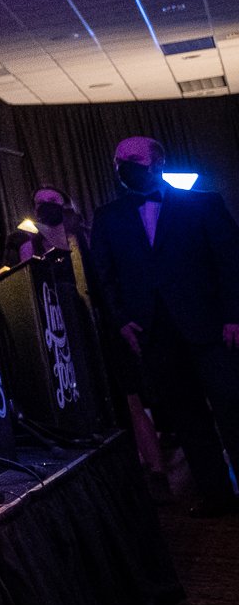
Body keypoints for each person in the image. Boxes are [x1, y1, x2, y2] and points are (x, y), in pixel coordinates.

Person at [88, 136, 239, 516]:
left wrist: (234, 316)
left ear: (157, 162)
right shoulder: (108, 216)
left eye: (133, 159)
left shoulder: (204, 203)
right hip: (153, 333)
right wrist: (122, 321)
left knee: (233, 410)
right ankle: (216, 496)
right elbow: (104, 277)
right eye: (118, 160)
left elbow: (230, 263)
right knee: (188, 419)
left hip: (211, 328)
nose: (124, 166)